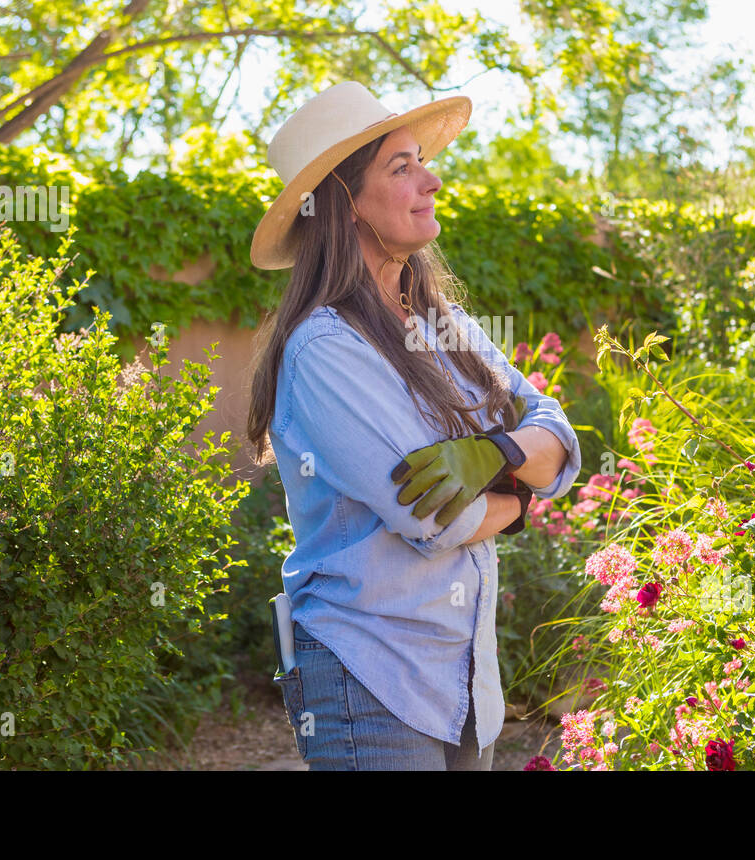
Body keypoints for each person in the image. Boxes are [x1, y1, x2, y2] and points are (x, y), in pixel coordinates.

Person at [245, 81, 581, 770]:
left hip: (463, 679)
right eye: (401, 167)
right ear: (343, 203)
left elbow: (559, 435)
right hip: (369, 680)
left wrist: (495, 452)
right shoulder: (325, 349)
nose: (431, 179)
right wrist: (522, 493)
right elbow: (437, 518)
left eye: (421, 160)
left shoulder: (443, 325)